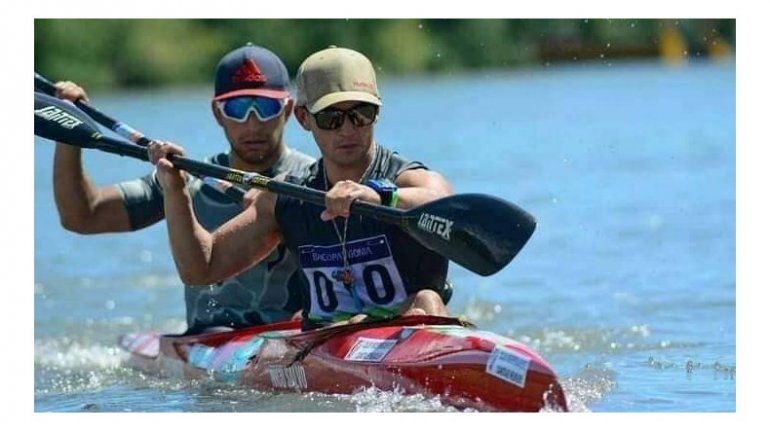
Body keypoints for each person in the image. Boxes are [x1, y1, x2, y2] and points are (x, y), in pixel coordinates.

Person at [150, 46, 452, 329]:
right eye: (331, 117)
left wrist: (377, 195)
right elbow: (201, 270)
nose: (348, 129)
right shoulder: (288, 198)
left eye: (361, 114)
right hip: (327, 344)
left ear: (378, 112)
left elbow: (443, 204)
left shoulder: (409, 180)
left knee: (427, 300)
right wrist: (175, 191)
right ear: (304, 118)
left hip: (413, 327)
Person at [51, 44, 314, 334]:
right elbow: (83, 216)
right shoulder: (187, 180)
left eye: (265, 108)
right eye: (237, 109)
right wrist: (68, 133)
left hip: (296, 337)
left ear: (287, 110)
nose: (252, 124)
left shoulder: (313, 183)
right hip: (210, 340)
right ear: (217, 113)